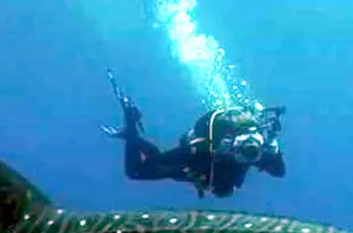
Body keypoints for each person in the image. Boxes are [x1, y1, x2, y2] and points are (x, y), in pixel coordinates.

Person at [101, 70, 286, 199]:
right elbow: (163, 158)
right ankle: (131, 129)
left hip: (200, 172)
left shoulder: (259, 151)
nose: (249, 153)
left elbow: (280, 173)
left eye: (253, 152)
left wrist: (274, 152)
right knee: (137, 171)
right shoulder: (205, 149)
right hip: (193, 164)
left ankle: (131, 132)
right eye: (245, 150)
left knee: (154, 163)